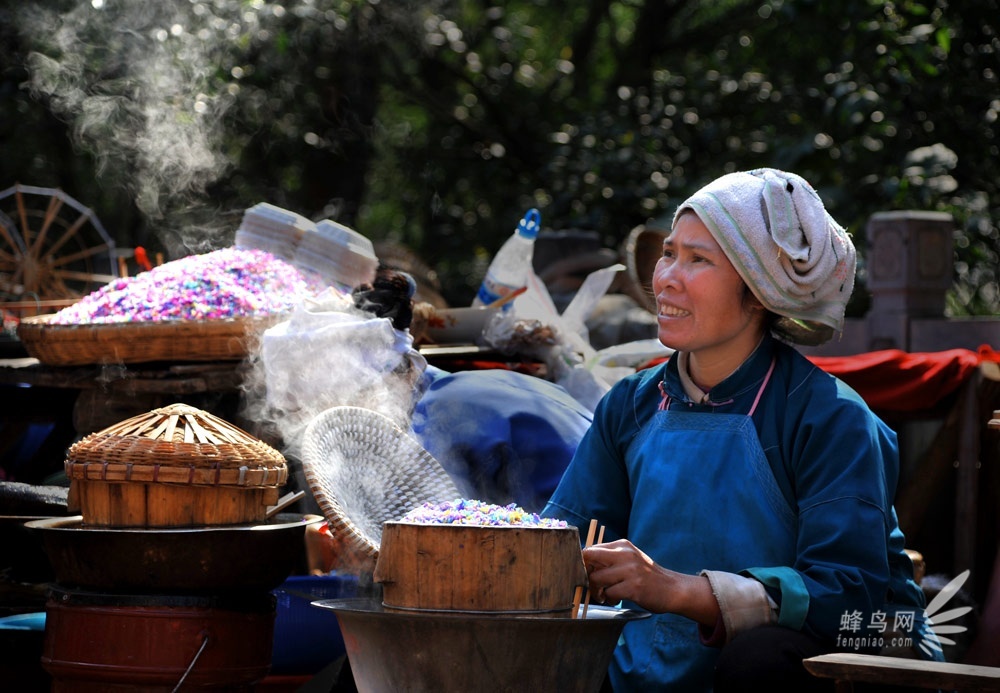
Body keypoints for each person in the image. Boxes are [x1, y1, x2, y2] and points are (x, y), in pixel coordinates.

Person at [541, 168, 939, 692]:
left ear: (758, 292)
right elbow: (563, 539)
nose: (665, 278)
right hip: (651, 663)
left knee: (760, 660)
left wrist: (675, 590)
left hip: (839, 661)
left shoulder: (829, 418)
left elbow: (846, 595)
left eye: (699, 259)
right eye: (669, 253)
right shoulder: (629, 407)